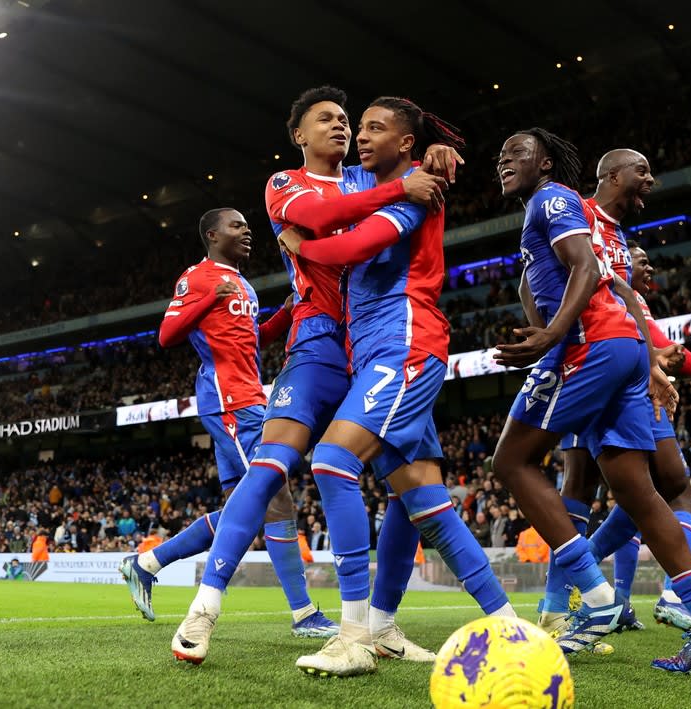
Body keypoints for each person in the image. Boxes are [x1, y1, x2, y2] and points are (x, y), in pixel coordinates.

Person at [169, 87, 465, 668]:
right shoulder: (286, 184)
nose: (341, 126)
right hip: (318, 341)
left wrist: (437, 152)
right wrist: (400, 186)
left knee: (410, 483)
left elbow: (404, 169)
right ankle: (203, 609)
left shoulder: (365, 176)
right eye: (325, 119)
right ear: (299, 135)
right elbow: (318, 217)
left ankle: (379, 625)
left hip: (379, 343)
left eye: (346, 120)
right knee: (270, 467)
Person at [277, 96, 515, 677]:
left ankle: (354, 634)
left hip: (405, 338)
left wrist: (302, 247)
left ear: (405, 143)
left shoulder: (419, 184)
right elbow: (321, 197)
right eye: (357, 127)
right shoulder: (367, 178)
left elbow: (349, 246)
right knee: (423, 501)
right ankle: (510, 626)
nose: (359, 136)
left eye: (375, 128)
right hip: (376, 349)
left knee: (333, 461)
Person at [490, 128, 691, 673]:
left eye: (516, 153)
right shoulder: (587, 217)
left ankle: (595, 599)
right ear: (609, 177)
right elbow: (606, 289)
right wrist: (645, 358)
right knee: (633, 486)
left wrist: (550, 338)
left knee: (511, 462)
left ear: (548, 164)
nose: (503, 162)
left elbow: (594, 279)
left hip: (591, 349)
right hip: (615, 350)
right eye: (641, 171)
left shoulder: (556, 201)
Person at [119, 206, 338, 640]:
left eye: (247, 225)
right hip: (230, 401)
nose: (247, 231)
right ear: (212, 235)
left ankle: (146, 563)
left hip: (248, 396)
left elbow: (254, 341)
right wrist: (208, 296)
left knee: (247, 507)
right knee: (277, 498)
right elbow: (166, 335)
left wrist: (288, 313)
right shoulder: (198, 277)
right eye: (237, 225)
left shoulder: (242, 284)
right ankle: (303, 613)